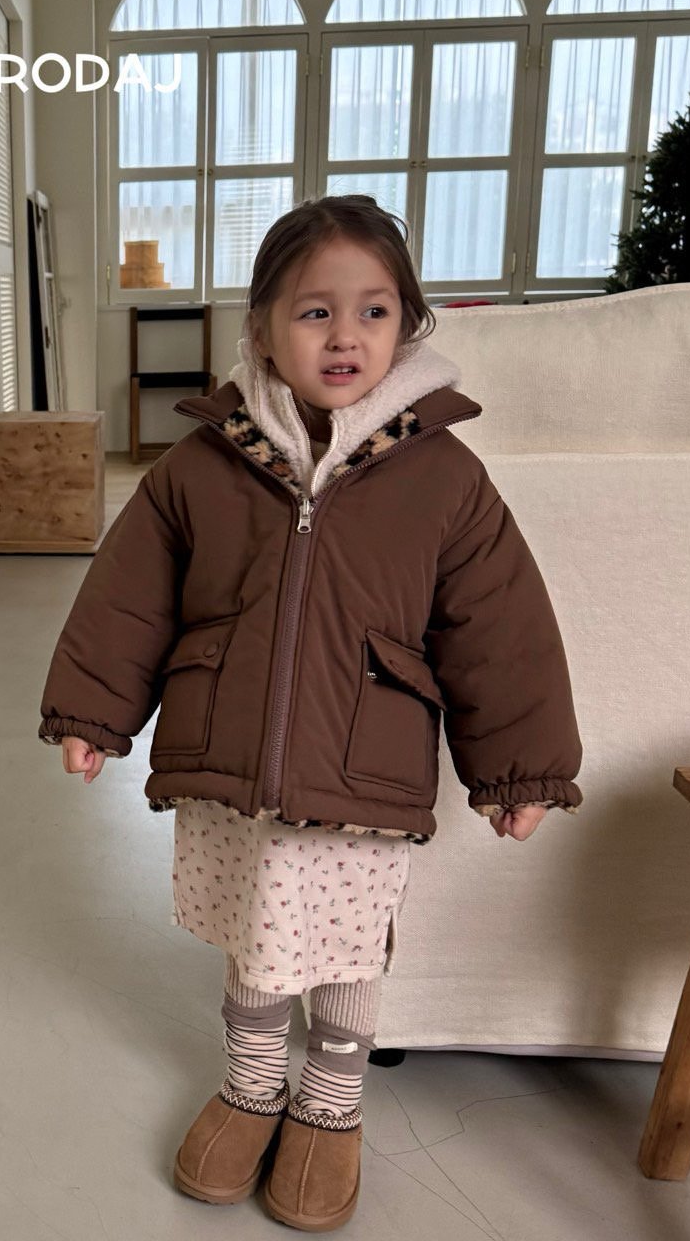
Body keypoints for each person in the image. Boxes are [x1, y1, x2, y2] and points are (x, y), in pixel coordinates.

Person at [37, 195, 583, 1231]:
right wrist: (93, 712)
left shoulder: (444, 476)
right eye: (314, 311)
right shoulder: (201, 464)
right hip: (230, 757)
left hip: (362, 765)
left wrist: (519, 767)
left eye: (373, 311)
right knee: (255, 926)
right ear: (260, 329)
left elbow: (497, 626)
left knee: (340, 941)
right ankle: (251, 1084)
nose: (344, 336)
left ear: (407, 326)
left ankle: (330, 1101)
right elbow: (129, 595)